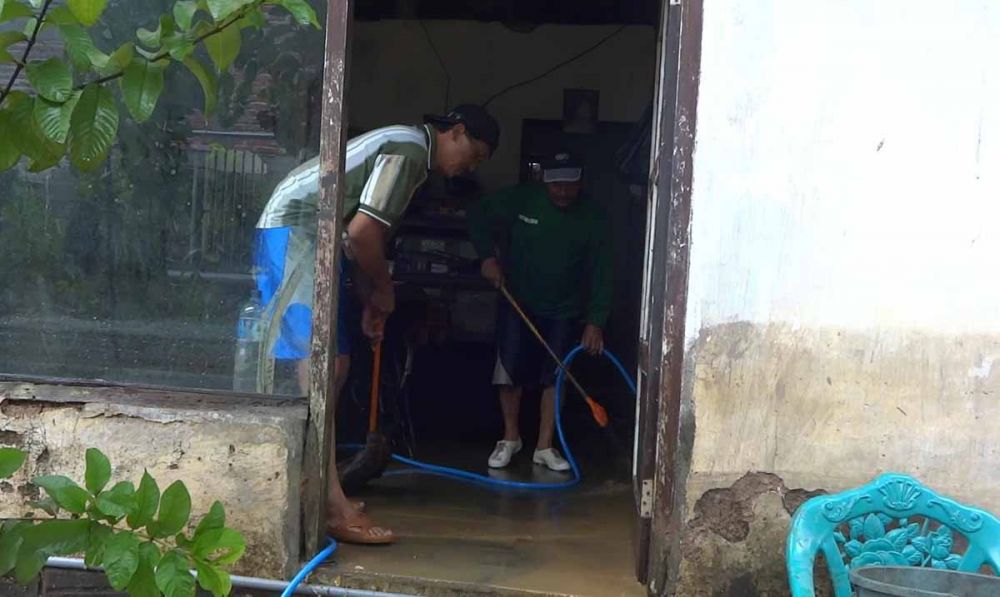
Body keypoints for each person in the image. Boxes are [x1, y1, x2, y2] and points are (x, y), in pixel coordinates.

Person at [255, 105, 500, 544]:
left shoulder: (408, 147)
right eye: (475, 155)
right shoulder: (410, 151)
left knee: (332, 366)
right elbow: (362, 232)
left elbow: (356, 234)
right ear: (457, 132)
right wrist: (384, 289)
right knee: (324, 368)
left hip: (312, 236)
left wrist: (371, 298)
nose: (471, 167)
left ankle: (318, 491)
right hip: (294, 233)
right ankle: (328, 505)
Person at [468, 150, 611, 472]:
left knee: (556, 376)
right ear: (544, 181)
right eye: (555, 185)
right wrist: (487, 258)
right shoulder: (522, 199)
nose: (562, 192)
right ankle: (510, 438)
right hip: (517, 300)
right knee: (509, 371)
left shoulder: (593, 217)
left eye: (569, 185)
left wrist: (595, 321)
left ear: (581, 182)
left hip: (565, 308)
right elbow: (478, 214)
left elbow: (604, 272)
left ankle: (544, 446)